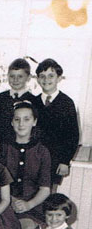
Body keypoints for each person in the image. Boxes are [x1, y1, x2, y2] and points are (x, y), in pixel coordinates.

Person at [32, 58, 80, 189]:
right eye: (42, 76)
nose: (46, 80)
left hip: (55, 159)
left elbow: (73, 135)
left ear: (59, 78)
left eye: (51, 76)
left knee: (48, 193)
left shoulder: (66, 103)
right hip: (33, 157)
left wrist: (65, 161)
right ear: (37, 79)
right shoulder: (33, 102)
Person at [0, 58, 36, 145]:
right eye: (12, 76)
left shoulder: (34, 101)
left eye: (20, 76)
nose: (15, 80)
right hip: (1, 146)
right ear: (7, 76)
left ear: (28, 78)